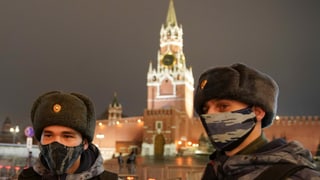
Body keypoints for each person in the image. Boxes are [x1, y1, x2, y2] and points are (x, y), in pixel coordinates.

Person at [194, 63, 320, 179]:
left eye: (223, 106)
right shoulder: (216, 169)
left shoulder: (295, 176)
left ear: (258, 112)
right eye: (205, 109)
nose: (209, 115)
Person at [18, 91, 118, 180]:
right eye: (48, 135)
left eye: (67, 136)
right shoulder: (26, 177)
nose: (56, 142)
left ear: (85, 143)